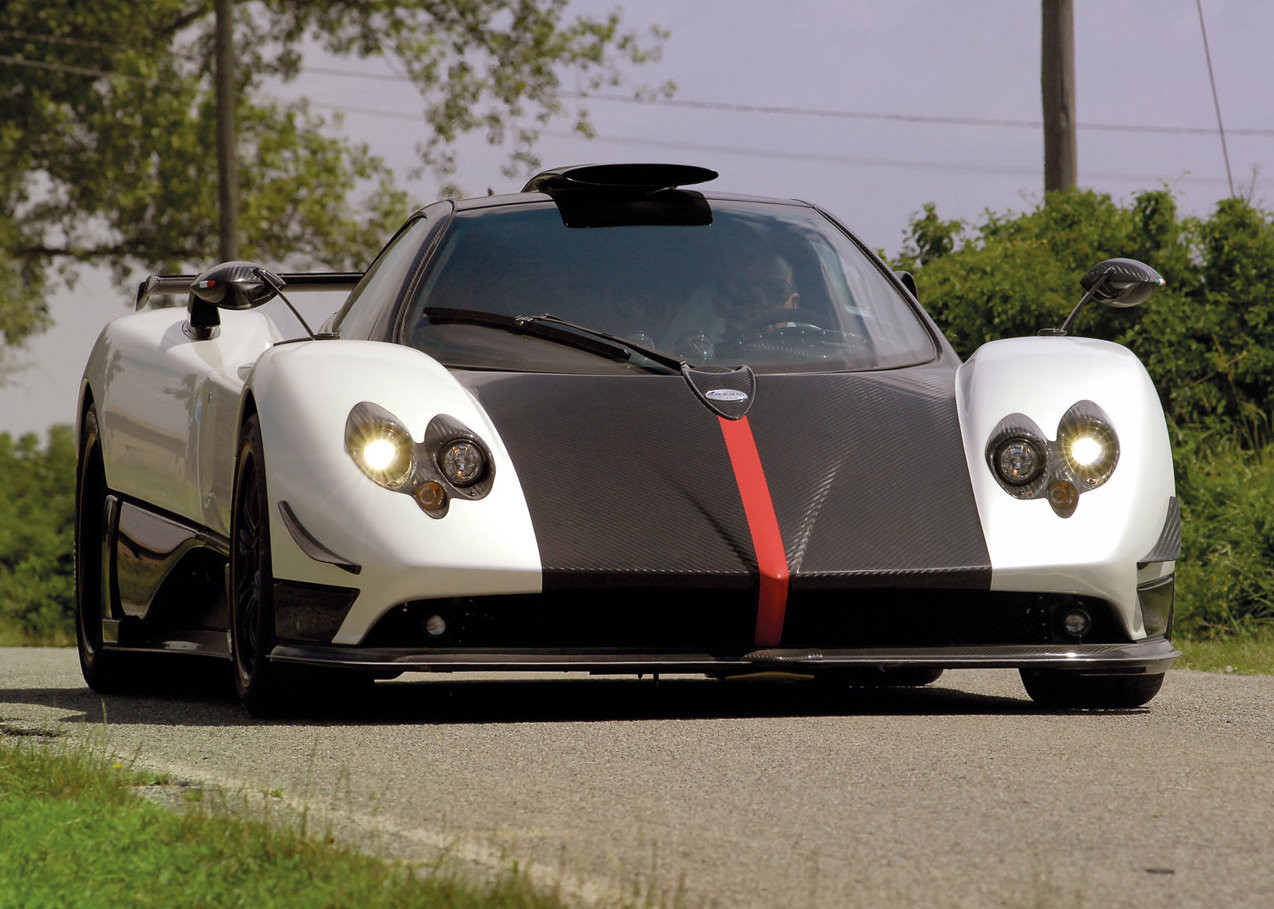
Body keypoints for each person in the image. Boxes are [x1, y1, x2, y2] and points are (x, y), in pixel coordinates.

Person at [665, 249, 804, 358]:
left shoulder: (818, 351)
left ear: (794, 304)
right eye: (743, 290)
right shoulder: (690, 359)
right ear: (719, 304)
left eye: (775, 290)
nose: (759, 302)